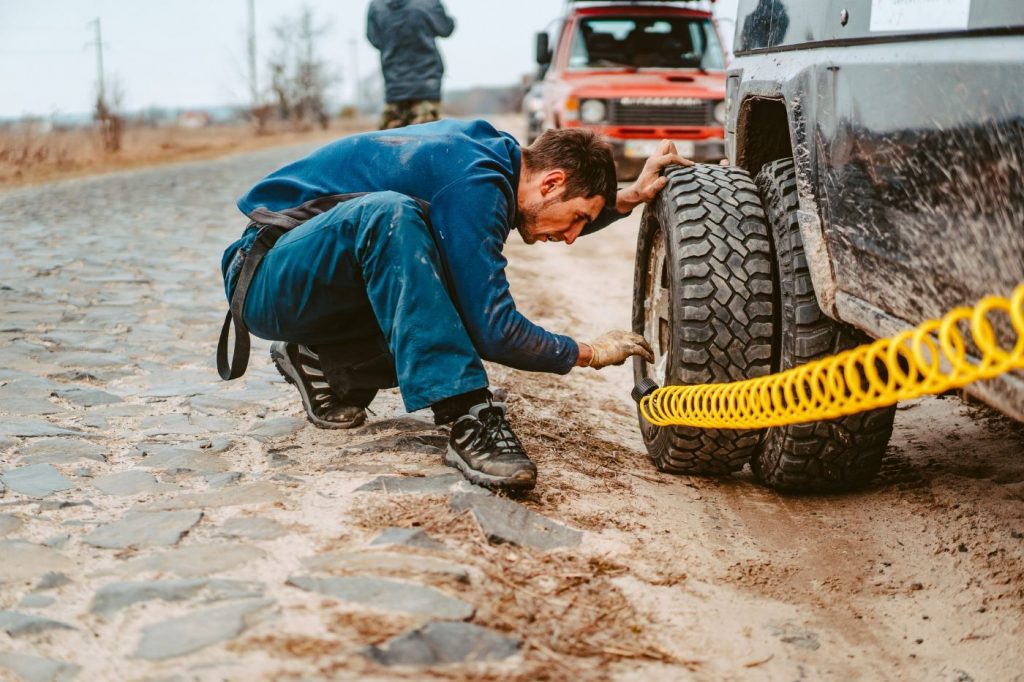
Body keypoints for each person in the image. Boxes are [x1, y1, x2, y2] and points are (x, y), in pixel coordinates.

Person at [220, 120, 690, 492]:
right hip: (263, 274)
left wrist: (625, 199)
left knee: (441, 282)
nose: (570, 237)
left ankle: (324, 363)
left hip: (309, 281)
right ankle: (467, 414)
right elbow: (493, 329)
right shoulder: (476, 179)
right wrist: (585, 352)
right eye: (578, 220)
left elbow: (526, 227)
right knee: (391, 216)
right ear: (552, 182)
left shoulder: (498, 166)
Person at [366, 0, 455, 130]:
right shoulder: (428, 3)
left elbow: (374, 39)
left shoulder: (376, 5)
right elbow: (445, 29)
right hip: (426, 86)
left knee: (390, 144)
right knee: (427, 142)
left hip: (394, 87)